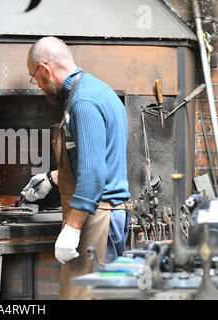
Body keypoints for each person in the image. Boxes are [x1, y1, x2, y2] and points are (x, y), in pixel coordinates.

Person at [22, 36, 132, 299]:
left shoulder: (83, 102)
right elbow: (99, 161)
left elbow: (93, 176)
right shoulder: (98, 90)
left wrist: (71, 229)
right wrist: (52, 178)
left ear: (45, 69)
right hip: (106, 213)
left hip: (98, 219)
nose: (37, 85)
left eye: (33, 77)